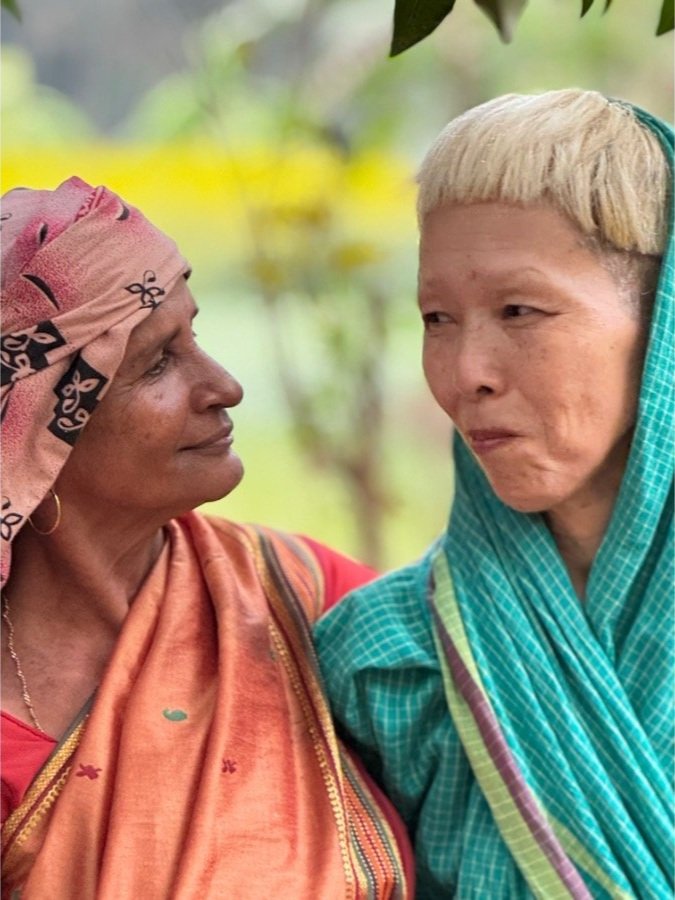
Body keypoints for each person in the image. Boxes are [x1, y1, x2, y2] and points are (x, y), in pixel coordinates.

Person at [0, 177, 413, 898]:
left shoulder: (300, 598)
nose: (224, 386)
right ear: (34, 436)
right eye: (157, 362)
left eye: (196, 337)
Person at [315, 90, 673, 898]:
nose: (465, 372)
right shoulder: (386, 662)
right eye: (437, 319)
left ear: (662, 325)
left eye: (519, 309)